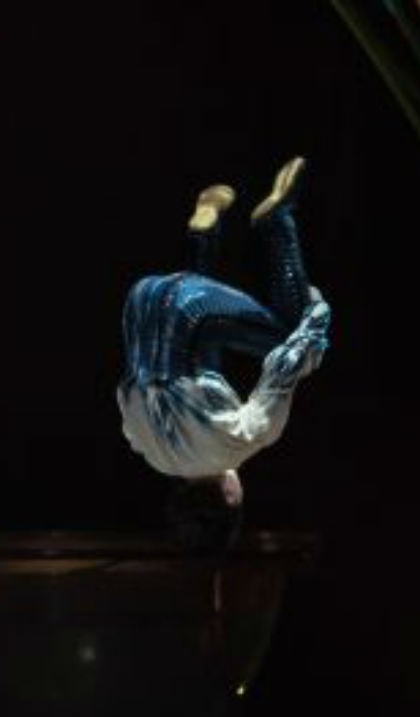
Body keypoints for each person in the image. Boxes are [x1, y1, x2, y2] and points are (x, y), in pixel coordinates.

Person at [118, 159, 333, 521]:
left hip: (188, 310)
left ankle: (277, 220)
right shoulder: (151, 454)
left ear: (231, 497)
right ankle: (203, 231)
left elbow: (284, 366)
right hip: (141, 300)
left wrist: (316, 316)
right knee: (203, 364)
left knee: (288, 332)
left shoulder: (238, 445)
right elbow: (132, 394)